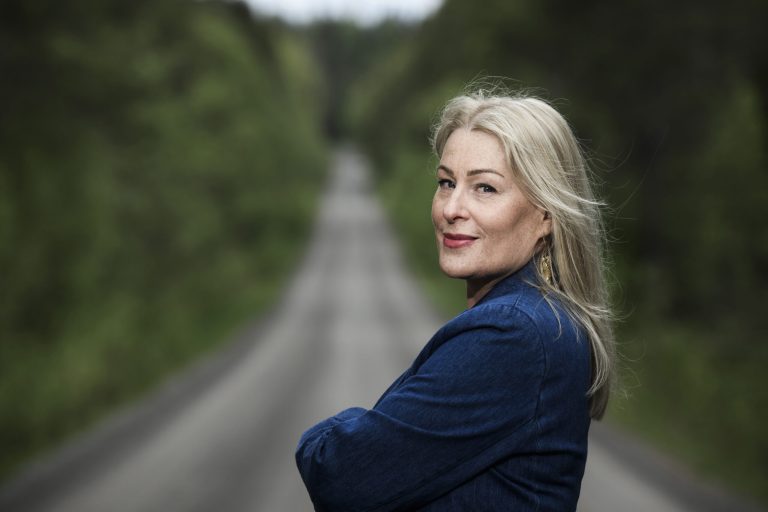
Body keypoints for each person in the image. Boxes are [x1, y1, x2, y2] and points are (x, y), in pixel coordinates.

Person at [295, 89, 616, 511]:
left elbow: (337, 473)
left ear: (545, 216)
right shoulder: (545, 321)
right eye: (447, 183)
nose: (452, 208)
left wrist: (338, 431)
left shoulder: (513, 335)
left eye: (485, 188)